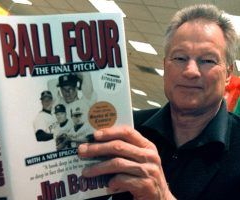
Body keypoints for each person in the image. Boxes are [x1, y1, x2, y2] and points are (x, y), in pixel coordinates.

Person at [78, 4, 240, 200]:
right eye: (180, 57)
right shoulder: (126, 128)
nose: (190, 71)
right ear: (165, 66)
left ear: (229, 74)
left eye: (207, 60)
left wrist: (162, 196)